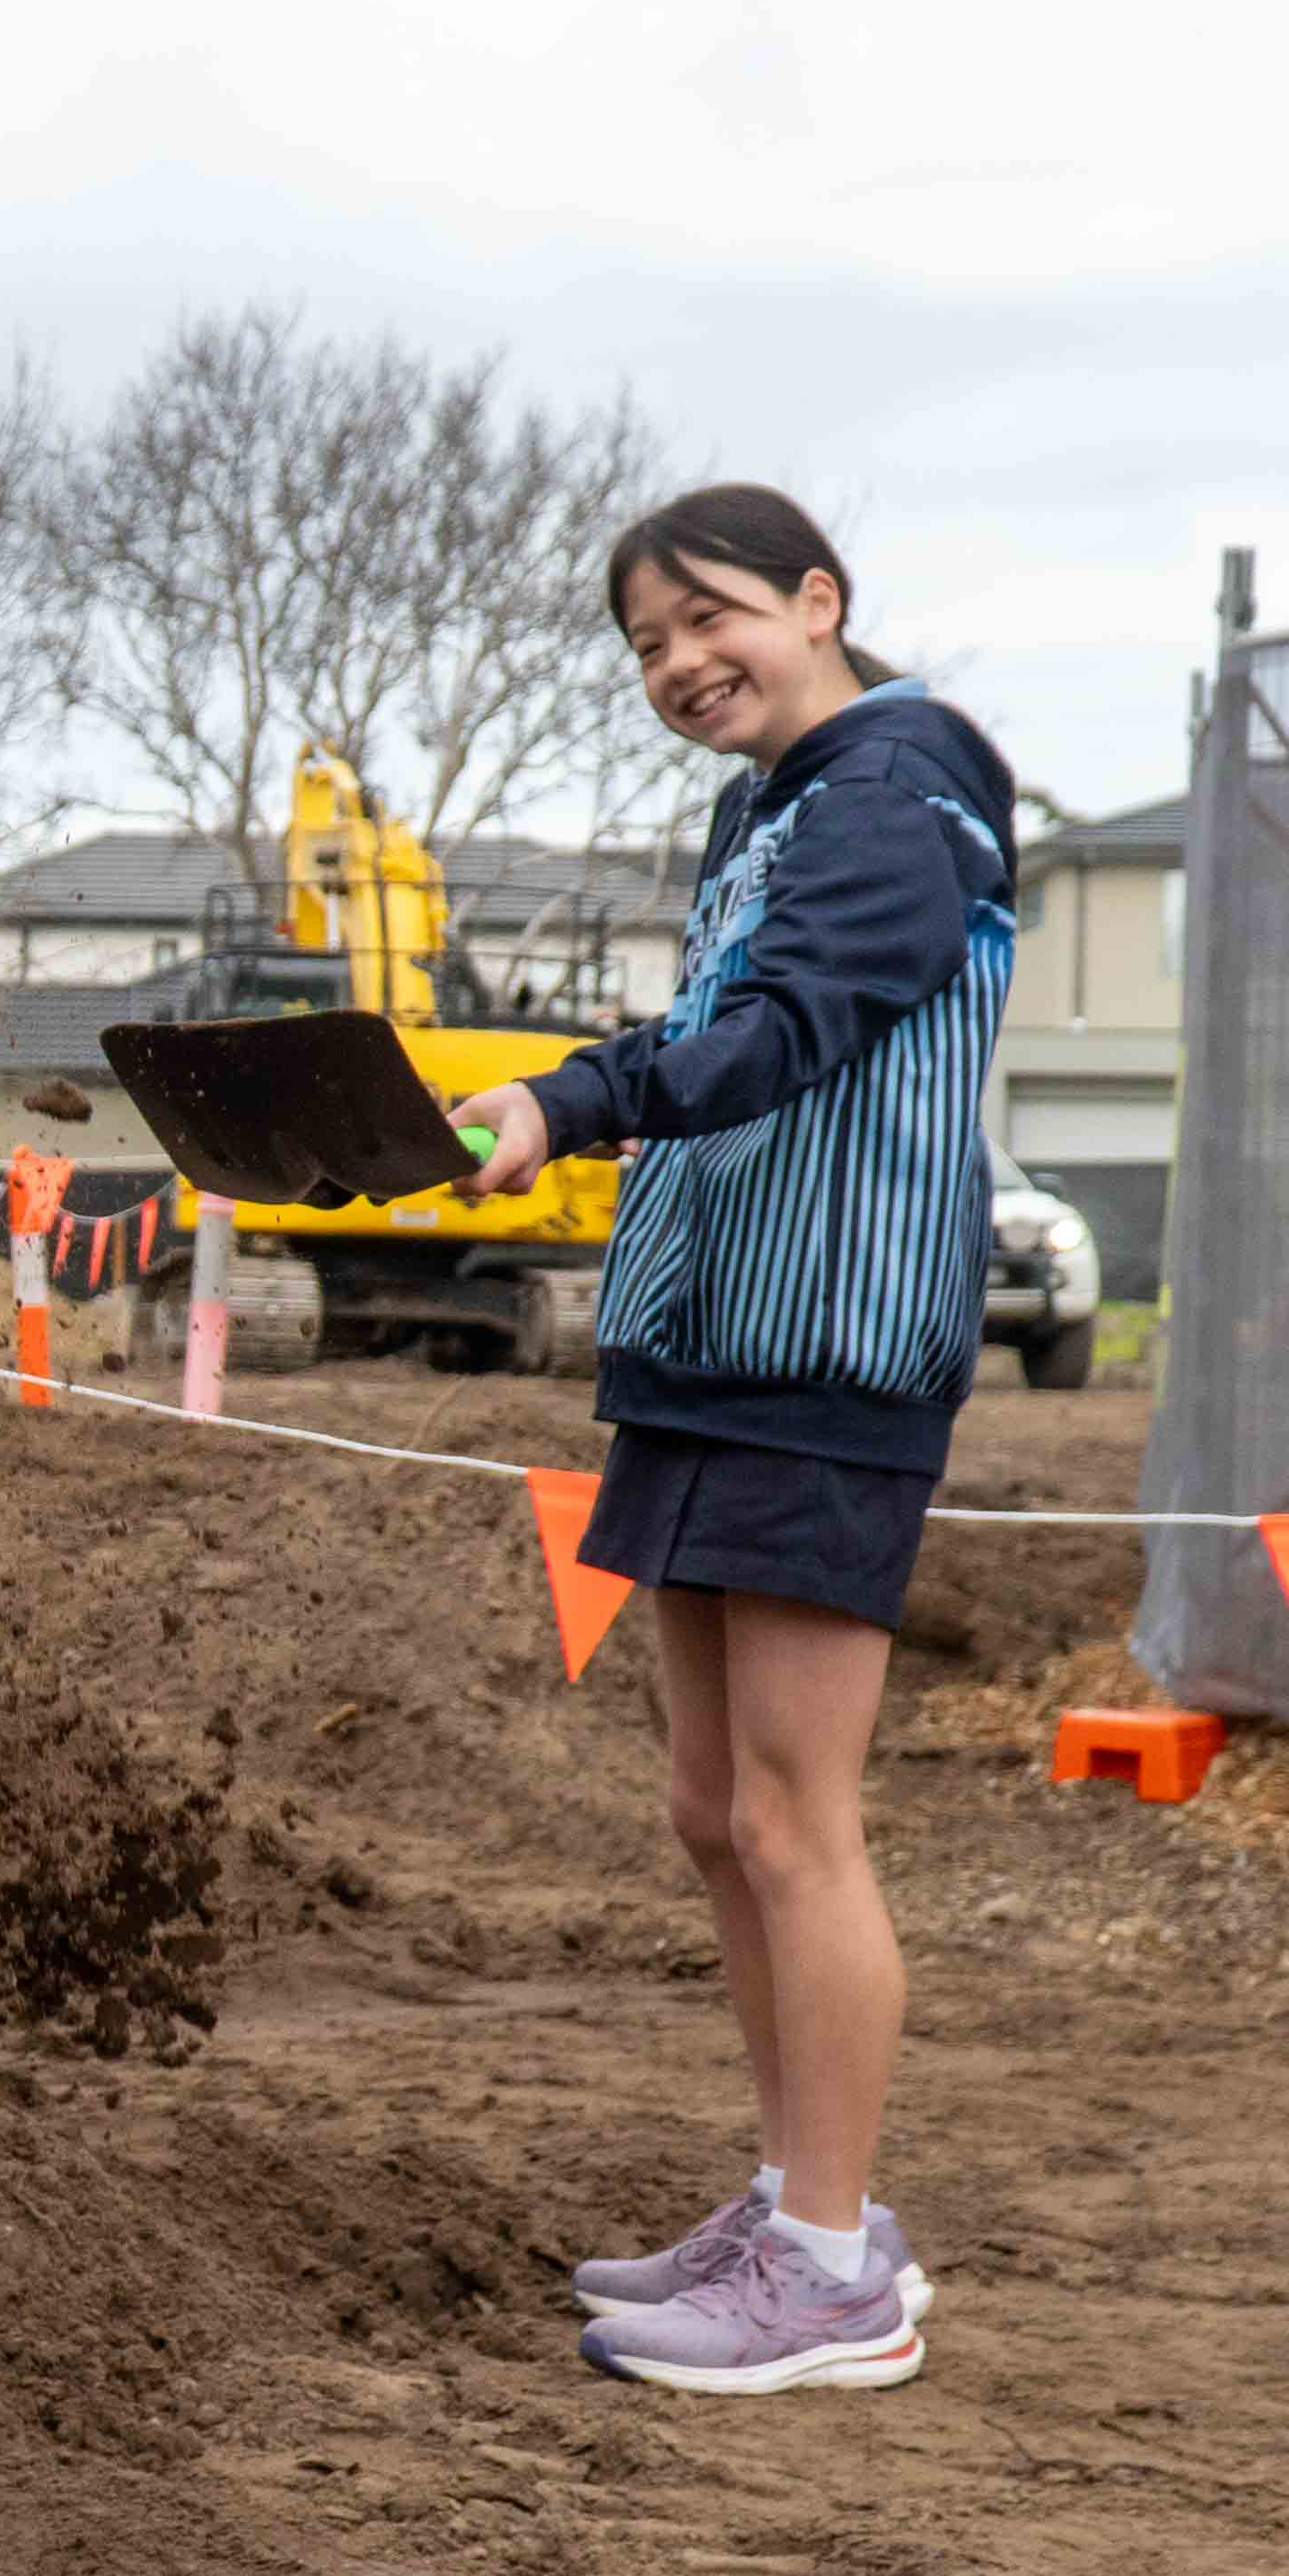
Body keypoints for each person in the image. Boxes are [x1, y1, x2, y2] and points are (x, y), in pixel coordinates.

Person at [444, 485, 1015, 2400]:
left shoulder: (898, 787)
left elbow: (775, 1035)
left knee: (793, 1818)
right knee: (713, 1807)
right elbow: (729, 1026)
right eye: (647, 641)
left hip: (829, 1353)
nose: (684, 662)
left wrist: (580, 1094)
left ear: (819, 600)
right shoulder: (772, 804)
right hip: (709, 1343)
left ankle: (838, 2270)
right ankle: (792, 2193)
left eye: (713, 618)